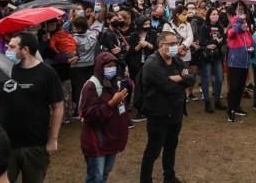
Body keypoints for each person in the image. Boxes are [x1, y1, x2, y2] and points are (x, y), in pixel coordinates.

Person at [0, 32, 63, 183]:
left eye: (12, 47)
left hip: (35, 145)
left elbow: (58, 106)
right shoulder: (5, 70)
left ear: (25, 50)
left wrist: (53, 139)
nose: (7, 50)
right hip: (5, 144)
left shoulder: (47, 73)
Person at [138, 31, 195, 183]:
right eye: (171, 44)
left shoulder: (176, 60)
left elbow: (191, 79)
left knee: (171, 147)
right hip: (158, 115)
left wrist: (179, 78)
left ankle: (169, 177)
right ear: (161, 45)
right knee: (153, 151)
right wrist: (182, 80)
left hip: (176, 112)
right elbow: (168, 87)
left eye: (176, 43)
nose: (175, 46)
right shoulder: (152, 64)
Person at [79, 52, 130, 183]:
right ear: (100, 67)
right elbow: (90, 115)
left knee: (105, 174)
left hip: (111, 140)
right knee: (96, 177)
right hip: (97, 142)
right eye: (108, 66)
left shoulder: (115, 84)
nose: (112, 68)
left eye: (114, 65)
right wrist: (112, 103)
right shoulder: (91, 86)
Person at [162, 5, 195, 101]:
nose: (185, 16)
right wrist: (176, 47)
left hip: (185, 54)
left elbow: (190, 37)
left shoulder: (187, 24)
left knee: (184, 75)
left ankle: (183, 95)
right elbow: (164, 38)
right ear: (177, 14)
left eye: (186, 14)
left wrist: (183, 46)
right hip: (172, 54)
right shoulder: (168, 25)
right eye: (184, 14)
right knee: (173, 74)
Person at [226, 14, 254, 122]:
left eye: (245, 21)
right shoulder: (232, 32)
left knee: (241, 87)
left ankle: (237, 107)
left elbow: (253, 43)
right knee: (234, 87)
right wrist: (239, 21)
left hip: (245, 64)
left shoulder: (247, 33)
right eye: (242, 22)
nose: (244, 24)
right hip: (234, 64)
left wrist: (252, 47)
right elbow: (232, 32)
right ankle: (231, 110)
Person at [198, 8, 226, 112]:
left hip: (217, 55)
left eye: (217, 14)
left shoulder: (220, 27)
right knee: (206, 79)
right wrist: (212, 42)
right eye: (213, 14)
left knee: (219, 79)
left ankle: (217, 101)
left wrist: (219, 42)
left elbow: (223, 40)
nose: (216, 16)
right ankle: (207, 102)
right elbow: (201, 41)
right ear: (209, 16)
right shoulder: (204, 27)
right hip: (207, 56)